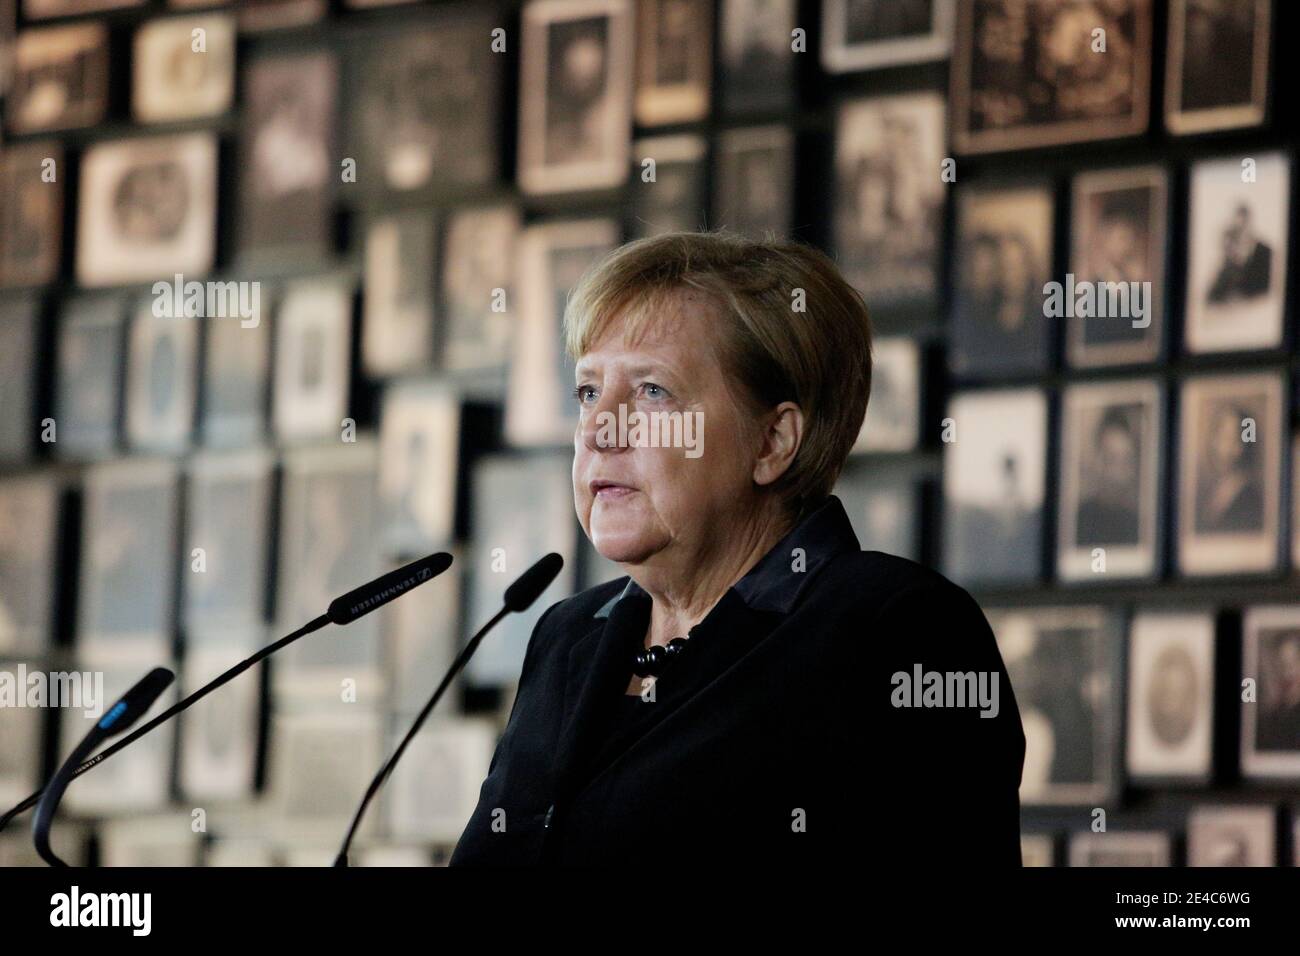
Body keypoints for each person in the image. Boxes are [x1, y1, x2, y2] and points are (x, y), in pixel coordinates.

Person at [449, 230, 1025, 866]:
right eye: (588, 392)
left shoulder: (896, 629)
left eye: (652, 391)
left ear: (772, 441)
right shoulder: (568, 636)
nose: (598, 430)